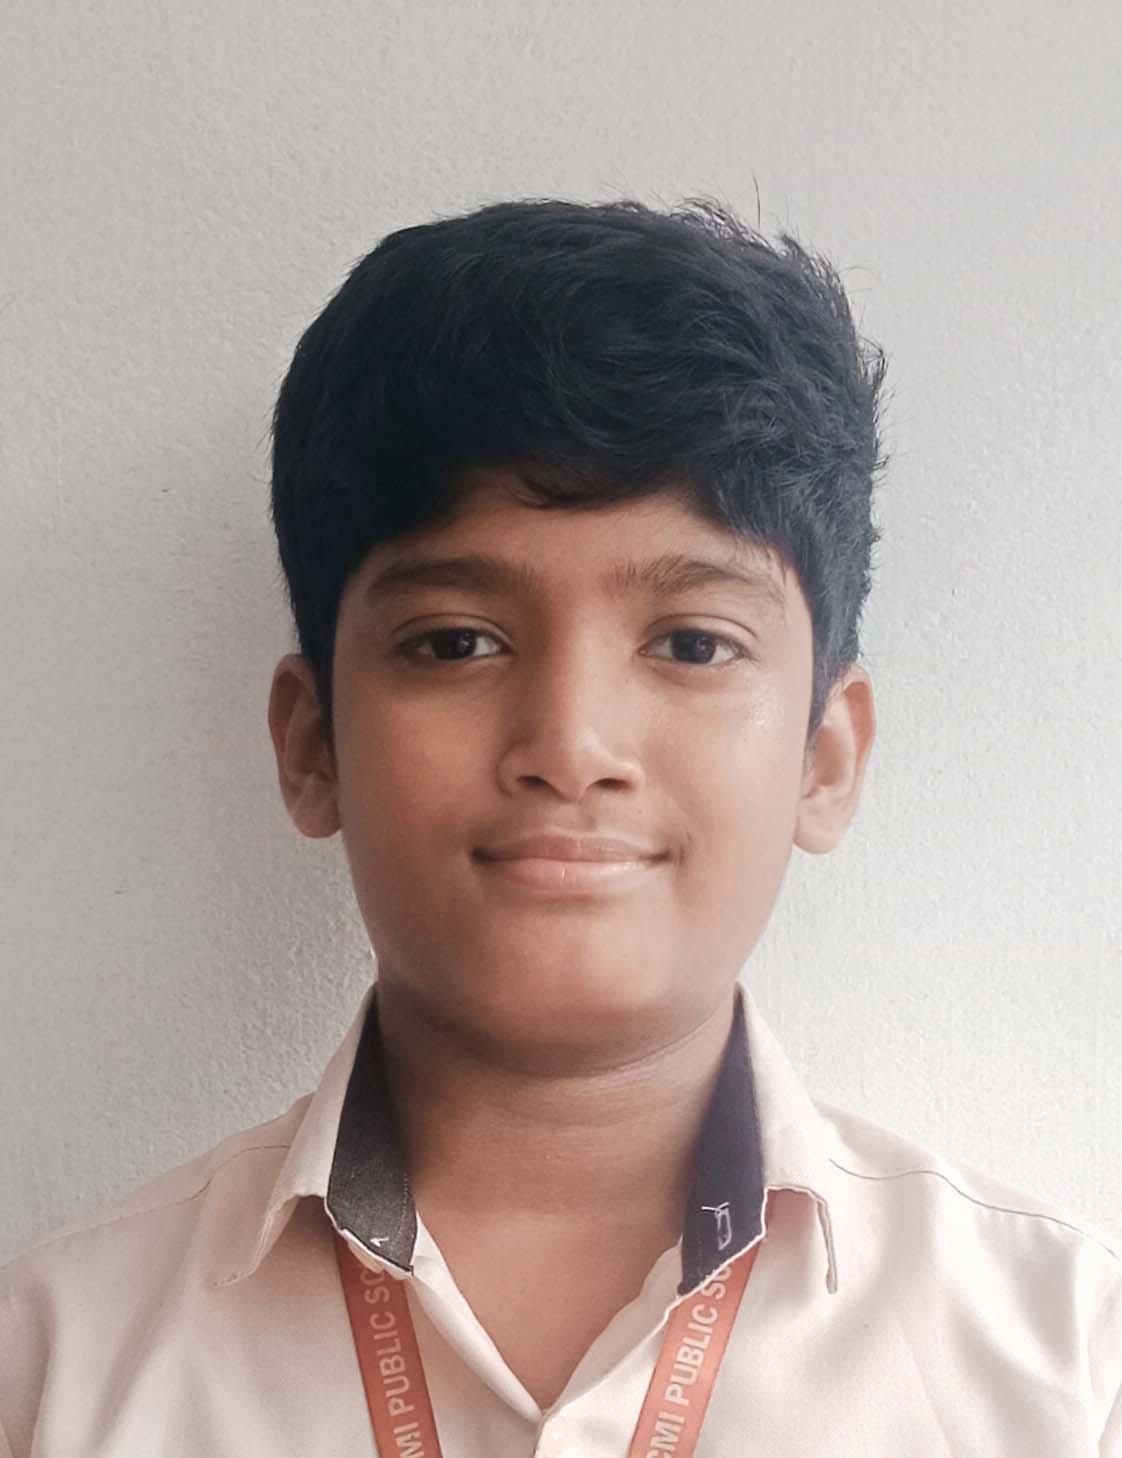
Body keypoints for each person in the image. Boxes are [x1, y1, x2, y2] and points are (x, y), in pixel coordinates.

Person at [2, 195, 1119, 1458]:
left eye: (692, 644)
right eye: (455, 642)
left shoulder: (1067, 1368)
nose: (572, 745)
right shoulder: (51, 1369)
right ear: (313, 746)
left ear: (824, 755)